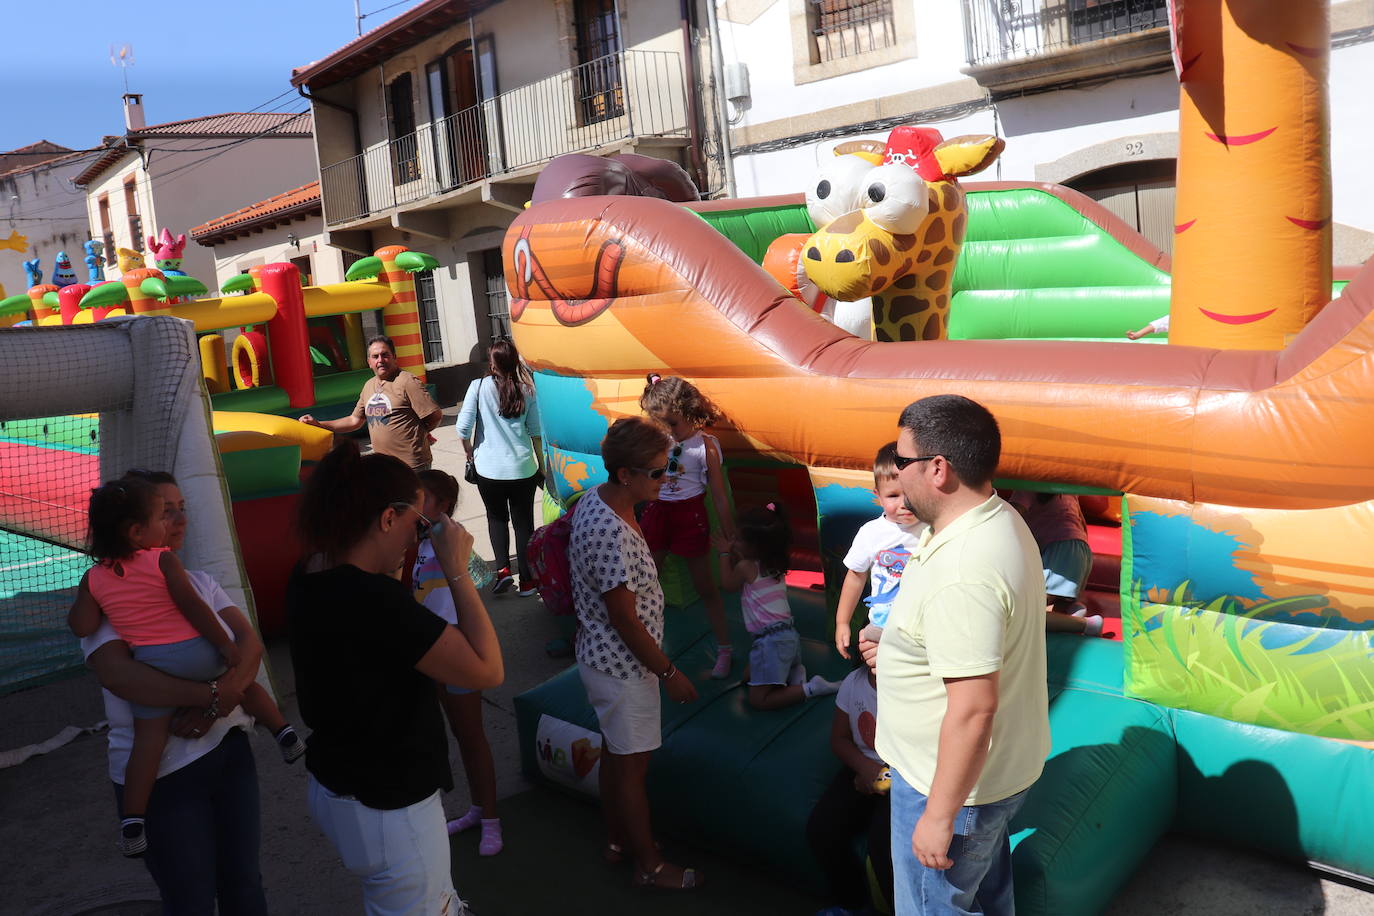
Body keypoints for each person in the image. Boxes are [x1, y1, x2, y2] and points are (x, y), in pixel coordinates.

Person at [288, 439, 503, 915]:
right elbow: (488, 669)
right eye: (414, 525)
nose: (415, 539)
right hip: (389, 805)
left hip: (338, 783)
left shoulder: (309, 572)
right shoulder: (378, 604)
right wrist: (458, 571)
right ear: (387, 518)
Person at [867, 394, 1050, 916]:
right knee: (987, 899)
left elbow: (973, 710)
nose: (897, 478)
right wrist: (898, 647)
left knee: (935, 906)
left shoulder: (964, 570)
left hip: (949, 789)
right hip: (988, 780)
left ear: (938, 469)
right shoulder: (997, 518)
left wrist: (939, 816)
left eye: (902, 463)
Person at [68, 476, 302, 858]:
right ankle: (284, 731)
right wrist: (221, 670)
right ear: (137, 529)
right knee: (246, 685)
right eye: (165, 513)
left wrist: (86, 593)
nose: (176, 521)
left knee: (149, 742)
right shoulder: (163, 561)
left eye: (181, 508)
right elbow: (194, 611)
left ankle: (132, 819)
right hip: (195, 665)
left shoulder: (96, 580)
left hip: (157, 667)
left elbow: (82, 624)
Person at [569, 416, 703, 890]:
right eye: (657, 471)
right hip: (624, 668)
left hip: (604, 660)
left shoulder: (603, 502)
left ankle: (618, 839)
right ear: (625, 474)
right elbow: (624, 618)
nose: (665, 478)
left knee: (616, 752)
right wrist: (669, 673)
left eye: (667, 467)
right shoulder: (611, 530)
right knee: (631, 767)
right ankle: (648, 865)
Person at [414, 469, 503, 855]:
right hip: (429, 652)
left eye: (422, 499)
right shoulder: (417, 539)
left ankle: (491, 820)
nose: (413, 506)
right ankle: (476, 809)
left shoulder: (446, 539)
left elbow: (473, 585)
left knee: (470, 736)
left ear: (443, 506)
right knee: (451, 734)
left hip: (460, 653)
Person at [639, 373, 736, 679]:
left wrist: (730, 536)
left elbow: (719, 495)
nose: (669, 431)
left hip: (690, 516)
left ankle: (724, 648)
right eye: (662, 423)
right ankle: (644, 646)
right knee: (646, 581)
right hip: (659, 513)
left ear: (689, 412)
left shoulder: (705, 446)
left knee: (705, 586)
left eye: (673, 423)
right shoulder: (659, 441)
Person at [713, 502, 840, 709]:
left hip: (770, 643)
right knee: (748, 675)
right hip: (788, 638)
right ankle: (793, 673)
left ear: (753, 546)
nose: (734, 541)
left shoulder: (746, 567)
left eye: (739, 539)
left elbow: (727, 584)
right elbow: (746, 560)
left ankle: (811, 688)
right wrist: (736, 549)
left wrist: (724, 553)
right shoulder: (774, 564)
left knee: (759, 700)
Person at [456, 338, 543, 596]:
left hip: (488, 470)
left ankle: (503, 571)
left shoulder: (478, 387)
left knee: (496, 519)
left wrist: (469, 452)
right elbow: (536, 432)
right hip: (523, 468)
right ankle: (527, 581)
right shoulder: (528, 390)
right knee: (523, 522)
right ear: (515, 361)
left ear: (492, 364)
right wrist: (542, 466)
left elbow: (462, 428)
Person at [806, 664, 894, 916]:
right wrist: (865, 768)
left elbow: (924, 757)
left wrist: (882, 778)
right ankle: (852, 904)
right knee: (822, 828)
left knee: (883, 848)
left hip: (903, 778)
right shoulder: (854, 683)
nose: (869, 643)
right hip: (864, 768)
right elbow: (839, 738)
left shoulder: (912, 691)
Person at [834, 442, 928, 659]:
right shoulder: (872, 533)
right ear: (878, 496)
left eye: (911, 493)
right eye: (893, 496)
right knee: (876, 668)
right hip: (881, 623)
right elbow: (856, 577)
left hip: (920, 628)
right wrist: (842, 622)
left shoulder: (932, 527)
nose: (904, 503)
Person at [299, 335, 442, 470]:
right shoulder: (369, 386)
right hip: (383, 466)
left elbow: (434, 415)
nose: (380, 360)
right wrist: (319, 424)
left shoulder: (407, 381)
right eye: (375, 356)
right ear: (369, 362)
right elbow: (354, 420)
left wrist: (421, 433)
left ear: (394, 357)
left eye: (385, 355)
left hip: (412, 466)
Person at [1005, 490, 1105, 637]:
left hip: (1060, 552)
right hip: (1079, 549)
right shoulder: (1067, 489)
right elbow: (1081, 522)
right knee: (1050, 607)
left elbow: (1010, 518)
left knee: (1022, 613)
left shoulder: (1027, 487)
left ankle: (1088, 625)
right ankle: (1072, 613)